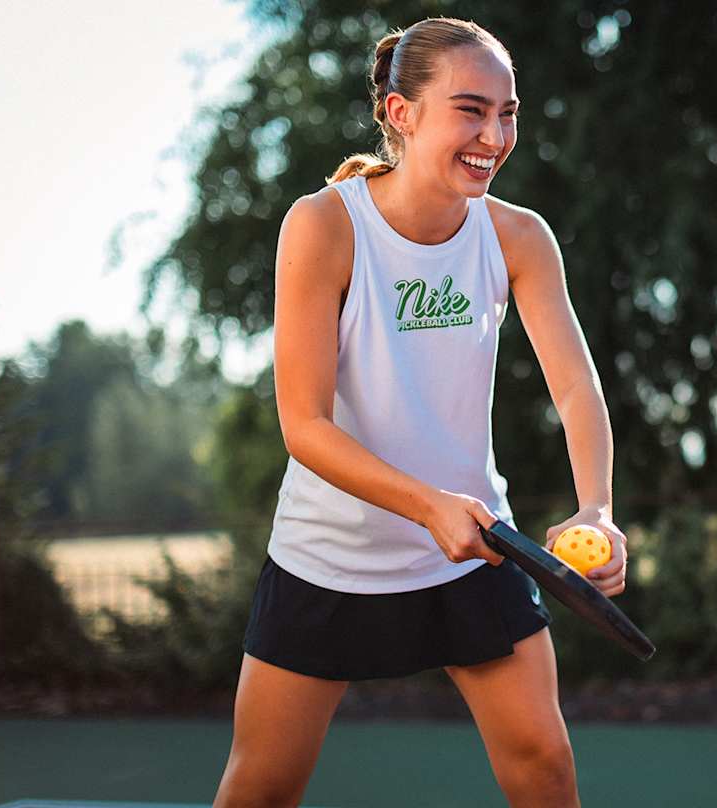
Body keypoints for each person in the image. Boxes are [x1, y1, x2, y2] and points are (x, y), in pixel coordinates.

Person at [212, 17, 627, 808]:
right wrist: (427, 503)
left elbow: (575, 387)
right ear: (401, 114)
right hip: (328, 558)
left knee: (544, 764)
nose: (495, 134)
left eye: (507, 113)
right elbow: (303, 426)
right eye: (471, 110)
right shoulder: (323, 225)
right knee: (261, 787)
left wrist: (598, 509)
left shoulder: (519, 238)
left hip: (473, 555)